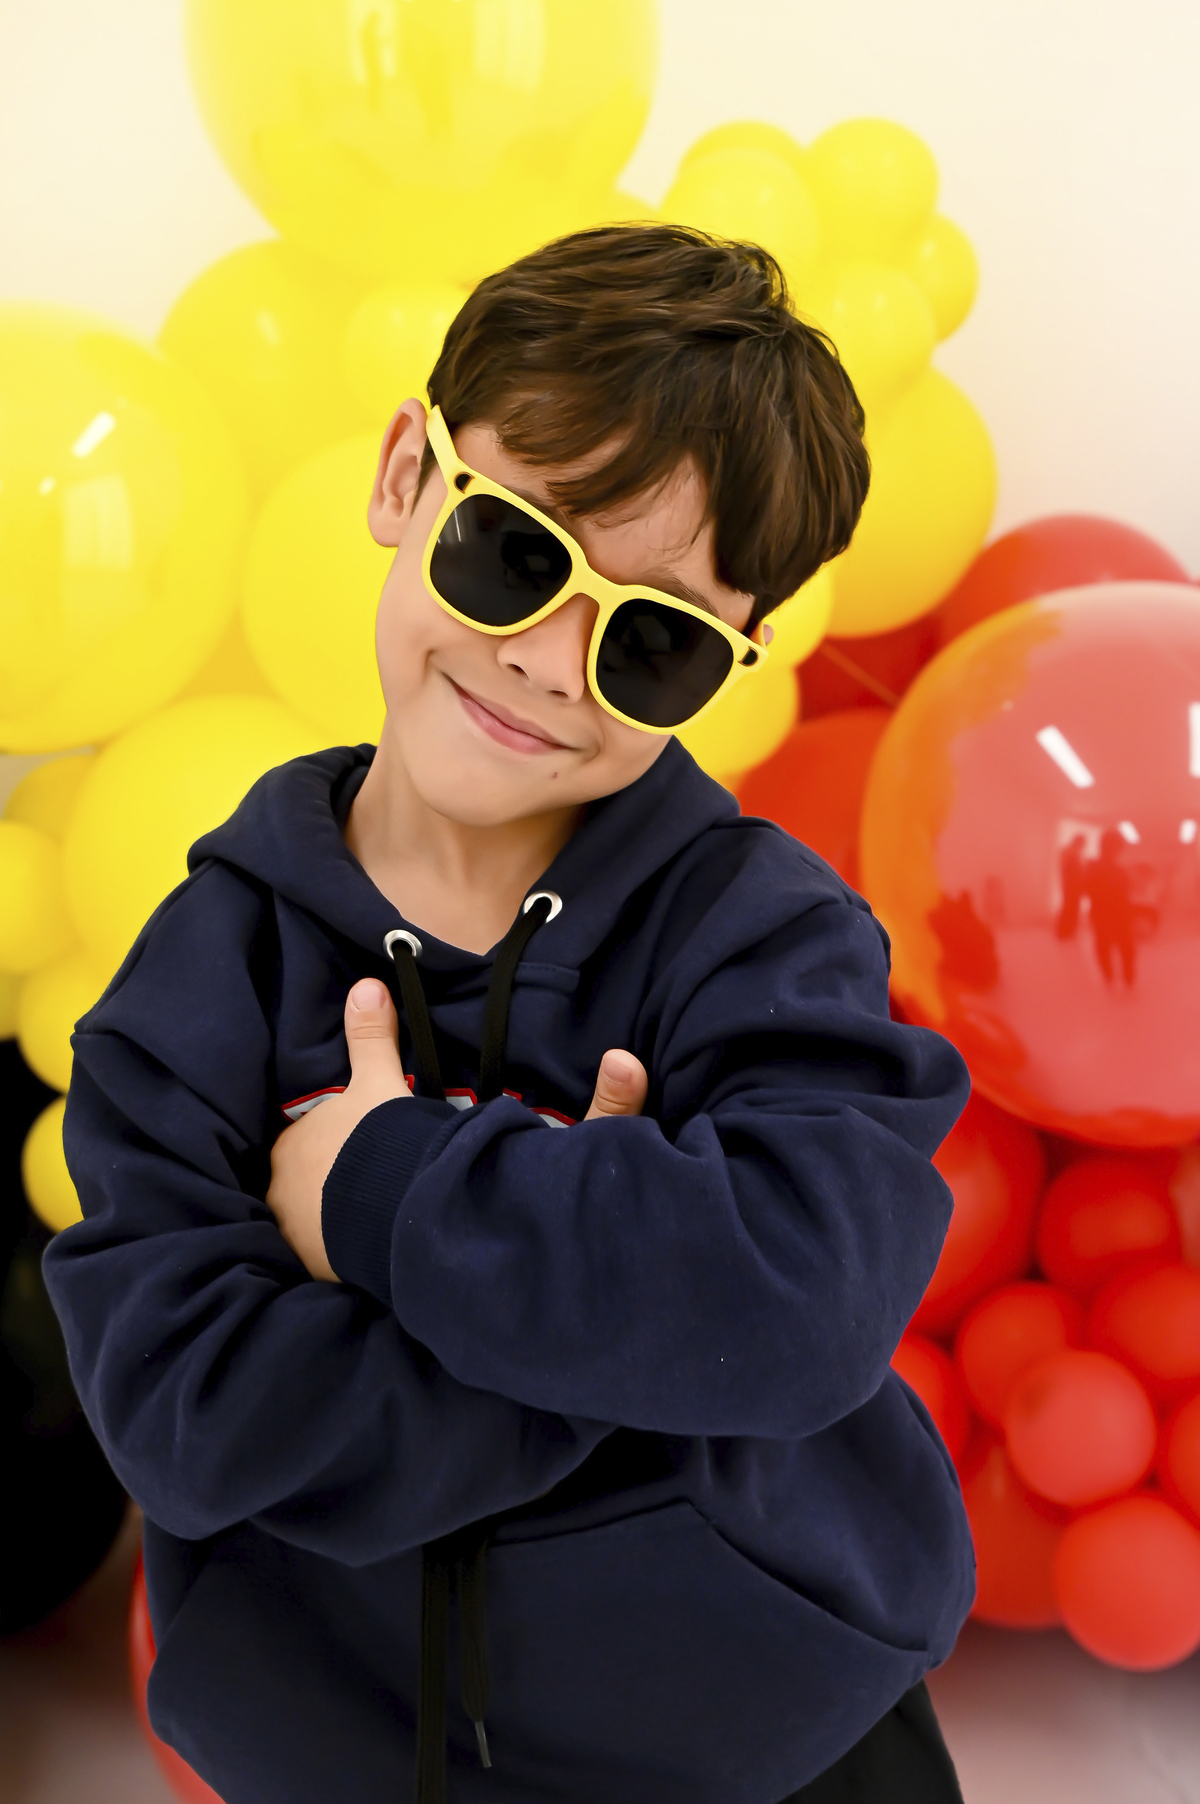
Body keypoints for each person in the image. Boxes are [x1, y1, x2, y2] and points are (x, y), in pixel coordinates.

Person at [44, 224, 973, 1804]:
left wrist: (383, 1188)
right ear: (406, 475)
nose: (548, 663)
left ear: (731, 666)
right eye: (516, 552)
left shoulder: (767, 938)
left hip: (784, 1755)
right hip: (356, 1765)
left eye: (653, 640)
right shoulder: (204, 974)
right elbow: (188, 1420)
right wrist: (615, 1313)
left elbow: (807, 1308)